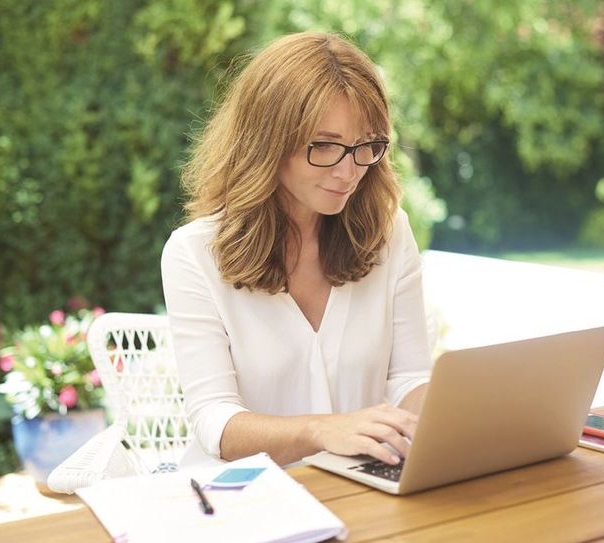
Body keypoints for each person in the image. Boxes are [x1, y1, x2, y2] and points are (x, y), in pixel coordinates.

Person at [161, 32, 432, 468]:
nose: (349, 170)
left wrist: (455, 419)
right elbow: (216, 420)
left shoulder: (389, 234)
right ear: (268, 141)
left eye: (366, 145)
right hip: (244, 503)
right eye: (324, 145)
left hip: (358, 487)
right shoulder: (193, 254)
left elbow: (409, 378)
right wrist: (321, 430)